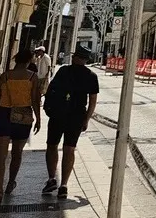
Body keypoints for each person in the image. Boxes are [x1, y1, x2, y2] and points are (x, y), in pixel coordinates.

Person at [43, 44, 99, 199]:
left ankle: (51, 178)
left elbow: (51, 89)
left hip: (58, 115)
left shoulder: (63, 71)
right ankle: (64, 185)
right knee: (69, 149)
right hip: (76, 116)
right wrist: (86, 119)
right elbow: (93, 101)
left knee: (52, 145)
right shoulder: (91, 76)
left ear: (75, 57)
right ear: (86, 60)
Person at [0, 47, 42, 204]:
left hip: (4, 114)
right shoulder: (33, 77)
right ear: (29, 61)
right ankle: (11, 182)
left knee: (0, 156)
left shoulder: (5, 76)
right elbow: (35, 100)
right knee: (17, 152)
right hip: (23, 115)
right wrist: (38, 119)